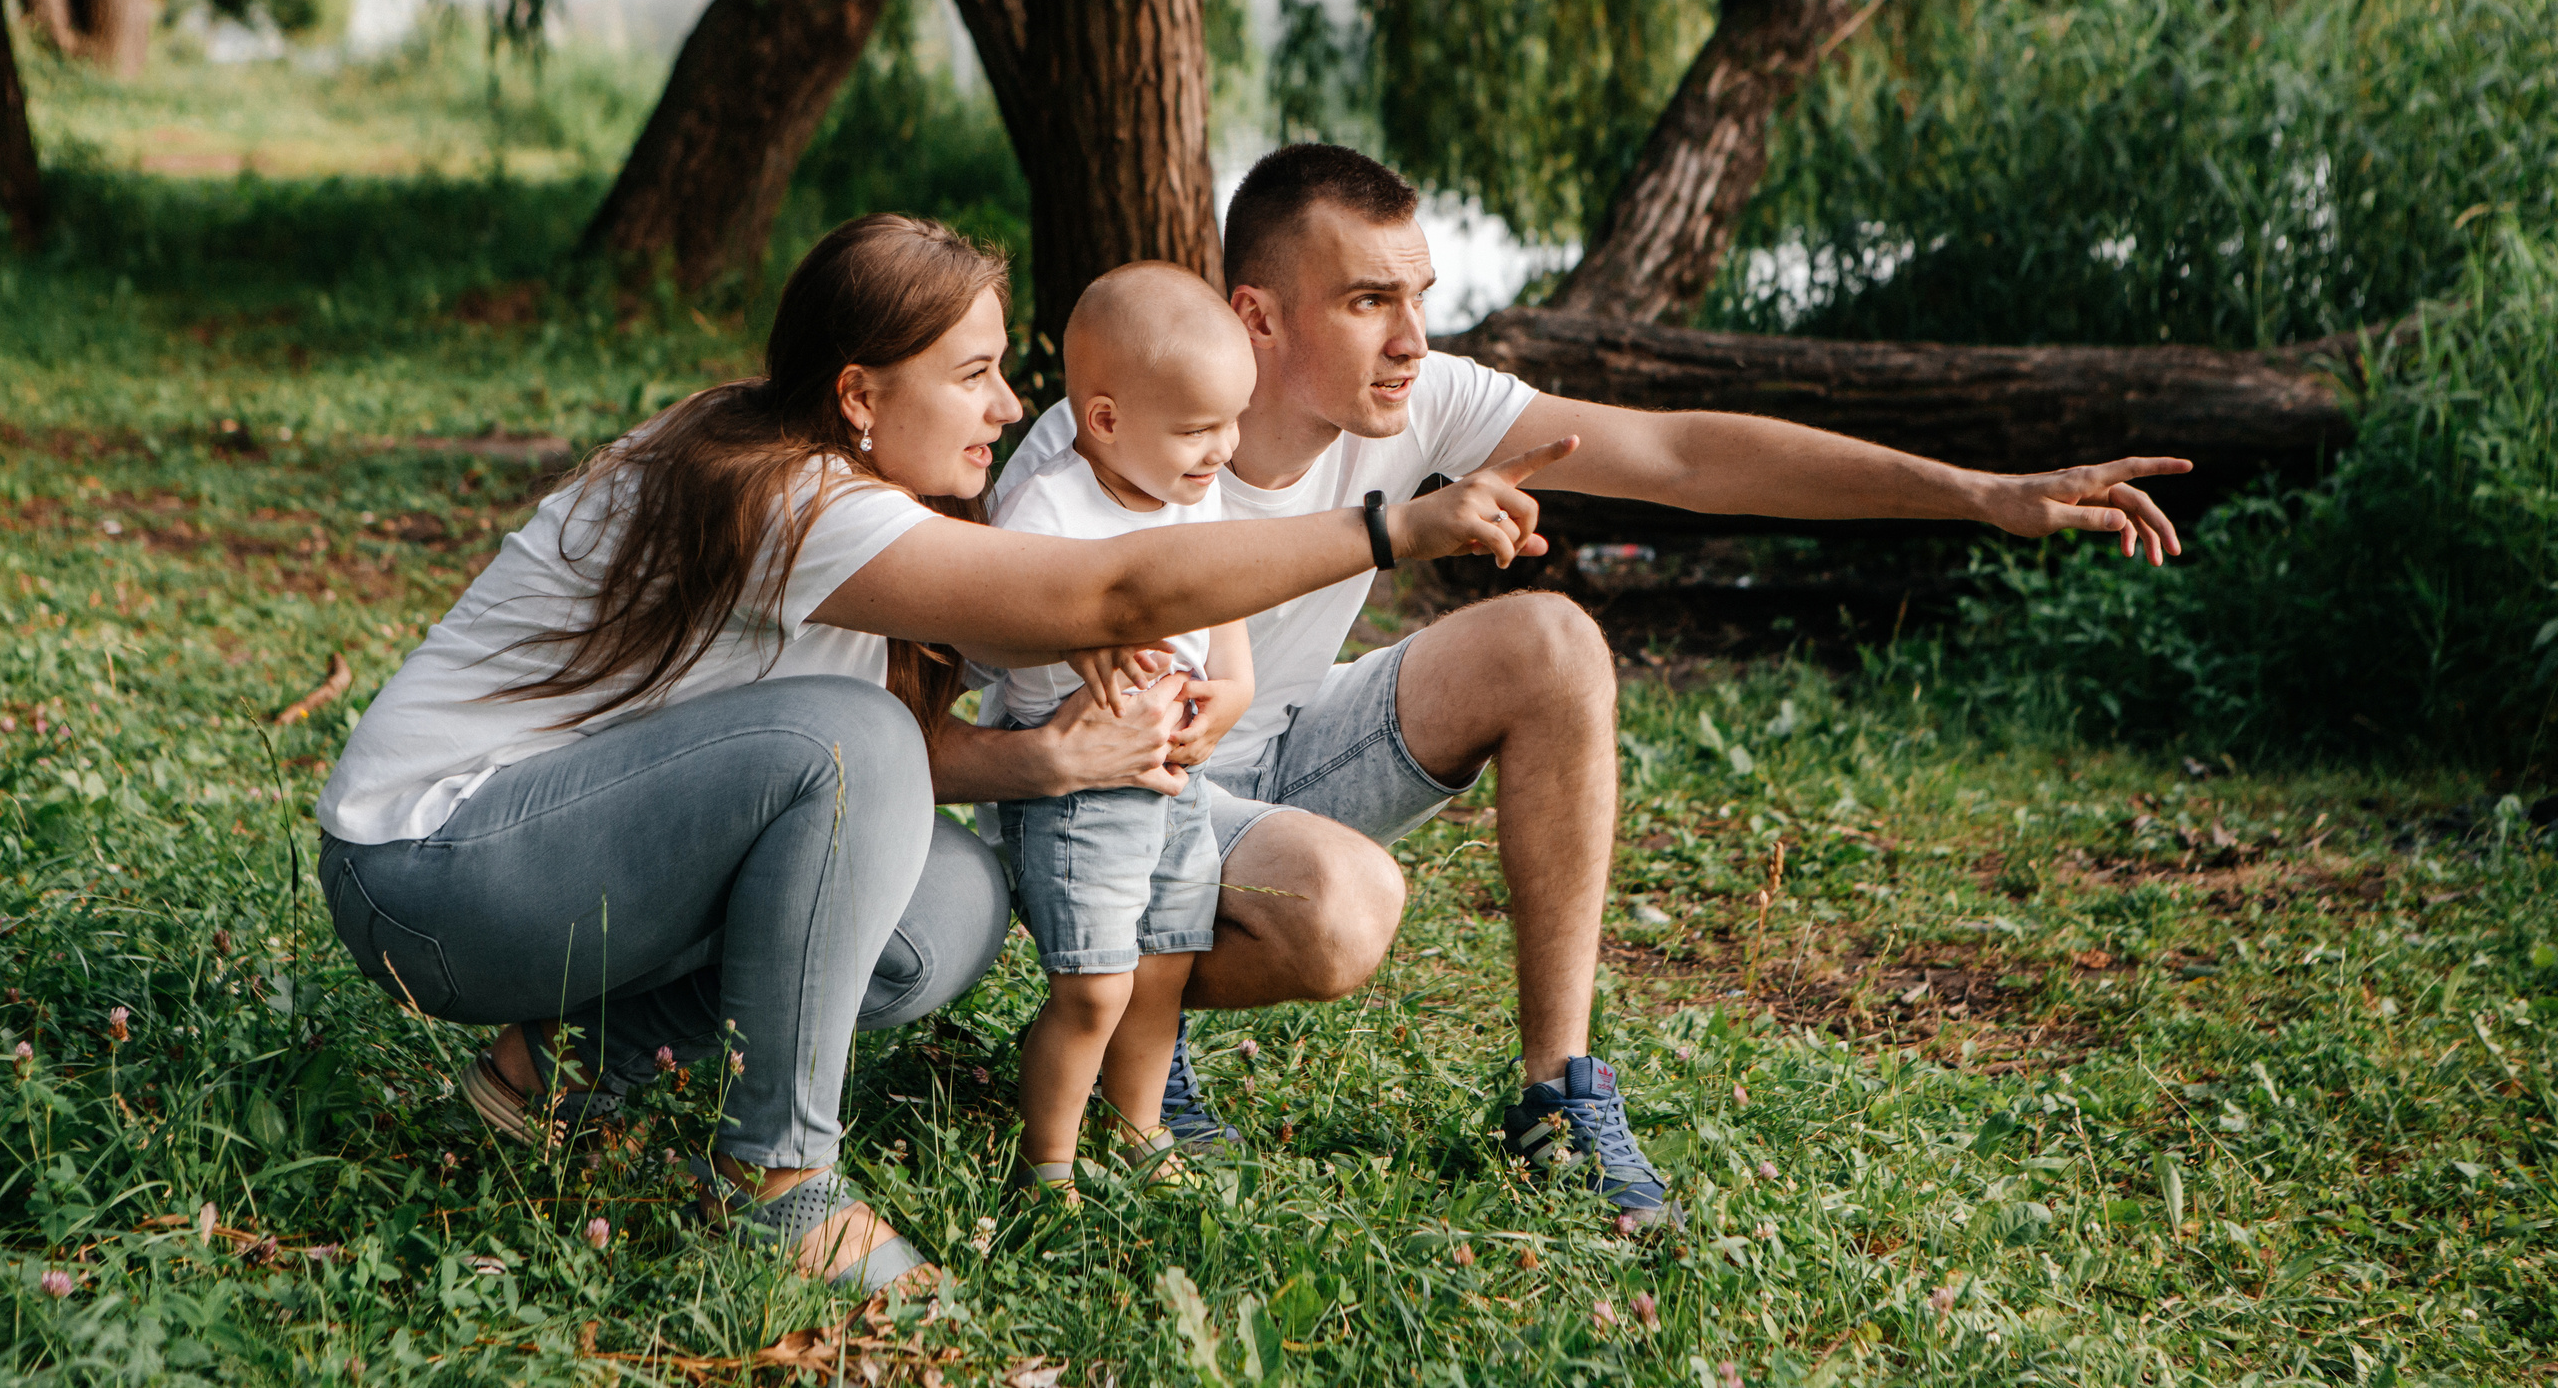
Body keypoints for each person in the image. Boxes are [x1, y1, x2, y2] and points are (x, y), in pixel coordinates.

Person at [314, 214, 1567, 1290]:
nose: (1011, 407)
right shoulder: (787, 496)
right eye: (973, 375)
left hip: (556, 864)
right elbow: (1113, 590)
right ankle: (780, 1181)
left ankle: (559, 1066)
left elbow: (884, 760)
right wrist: (1391, 527)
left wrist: (1049, 763)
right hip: (429, 874)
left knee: (949, 908)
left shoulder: (868, 501)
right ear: (860, 395)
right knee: (848, 740)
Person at [968, 144, 2192, 1232]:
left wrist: (1978, 493)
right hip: (1107, 790)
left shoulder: (1414, 400)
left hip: (1275, 748)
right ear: (1260, 317)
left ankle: (1559, 1099)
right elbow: (987, 642)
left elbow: (1682, 455)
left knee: (1553, 641)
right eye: (1367, 301)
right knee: (1343, 910)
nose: (1411, 339)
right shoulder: (1115, 442)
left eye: (1420, 298)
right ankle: (1138, 1019)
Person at [964, 264, 1258, 1200]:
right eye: (1198, 430)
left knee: (1165, 960)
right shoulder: (1049, 506)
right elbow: (985, 626)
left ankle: (1137, 1128)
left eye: (1232, 422)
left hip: (1174, 775)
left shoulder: (1192, 486)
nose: (1224, 449)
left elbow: (1224, 591)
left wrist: (1234, 687)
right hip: (1080, 789)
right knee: (1095, 984)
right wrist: (1074, 625)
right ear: (1104, 420)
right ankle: (1045, 1164)